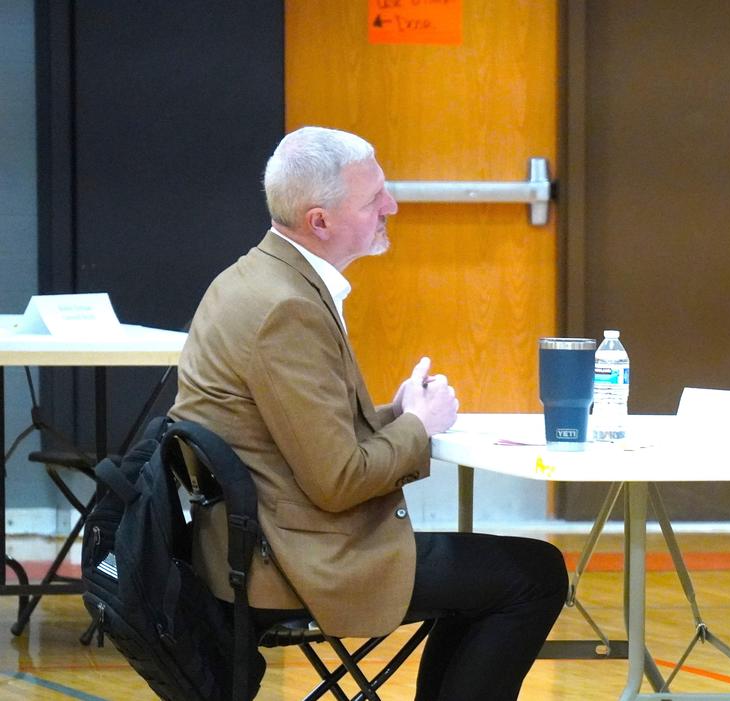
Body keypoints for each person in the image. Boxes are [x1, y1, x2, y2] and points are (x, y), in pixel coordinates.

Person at [170, 126, 567, 701]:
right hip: (289, 563)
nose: (392, 206)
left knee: (489, 578)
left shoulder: (254, 279)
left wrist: (397, 413)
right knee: (532, 576)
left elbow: (294, 433)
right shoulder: (286, 309)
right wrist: (419, 427)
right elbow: (338, 481)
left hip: (255, 544)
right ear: (320, 221)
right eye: (374, 197)